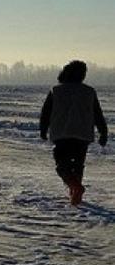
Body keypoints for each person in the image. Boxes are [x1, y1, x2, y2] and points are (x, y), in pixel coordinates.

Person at [39, 59, 108, 206]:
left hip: (62, 134)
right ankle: (75, 196)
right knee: (78, 164)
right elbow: (97, 113)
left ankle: (75, 188)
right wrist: (103, 132)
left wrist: (43, 129)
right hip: (82, 135)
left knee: (62, 165)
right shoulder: (89, 91)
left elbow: (46, 113)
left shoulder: (56, 90)